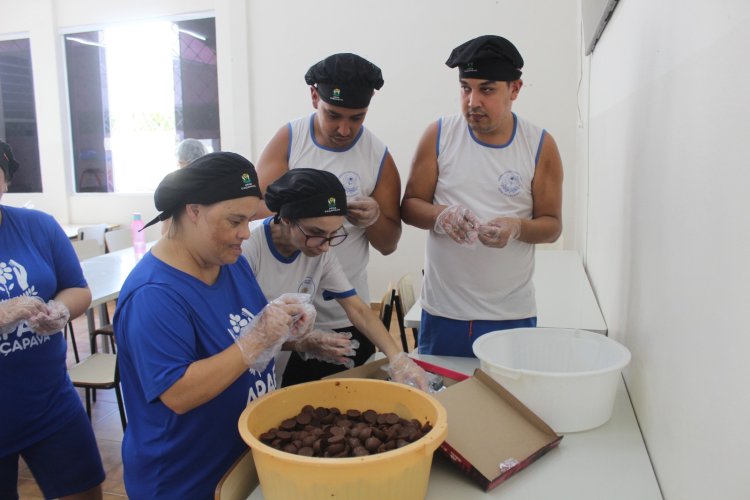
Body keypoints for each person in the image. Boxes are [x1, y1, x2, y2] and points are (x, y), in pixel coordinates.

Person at [112, 152, 318, 498]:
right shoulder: (154, 295)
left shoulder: (228, 261)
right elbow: (179, 393)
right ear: (193, 210)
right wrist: (257, 339)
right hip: (184, 478)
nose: (244, 233)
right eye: (235, 220)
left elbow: (241, 330)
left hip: (238, 459)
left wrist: (286, 327)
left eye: (249, 220)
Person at [401, 35, 564, 357]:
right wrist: (440, 215)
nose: (473, 101)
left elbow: (552, 225)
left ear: (514, 89)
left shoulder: (539, 144)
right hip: (444, 309)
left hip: (510, 312)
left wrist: (517, 227)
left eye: (487, 90)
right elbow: (409, 206)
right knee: (444, 400)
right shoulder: (439, 135)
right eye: (465, 88)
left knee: (506, 402)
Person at [254, 53, 402, 375]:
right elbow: (256, 212)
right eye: (333, 115)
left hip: (345, 312)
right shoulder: (289, 141)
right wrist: (309, 205)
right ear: (313, 97)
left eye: (357, 118)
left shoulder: (377, 157)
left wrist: (374, 218)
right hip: (285, 313)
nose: (344, 129)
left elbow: (389, 244)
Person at [243, 168, 428, 389]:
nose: (325, 245)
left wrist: (398, 358)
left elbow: (358, 309)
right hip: (237, 370)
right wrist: (301, 343)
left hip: (272, 376)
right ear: (286, 219)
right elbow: (243, 333)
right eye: (315, 232)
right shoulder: (248, 248)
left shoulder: (321, 250)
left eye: (333, 235)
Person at [0, 140, 104, 500]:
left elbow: (77, 288)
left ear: (5, 178)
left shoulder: (38, 227)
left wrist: (59, 311)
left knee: (86, 491)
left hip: (49, 402)